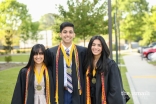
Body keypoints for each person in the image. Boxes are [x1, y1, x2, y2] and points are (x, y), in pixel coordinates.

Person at [46, 22, 86, 104]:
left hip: (77, 93)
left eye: (70, 32)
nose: (68, 34)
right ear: (60, 34)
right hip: (59, 93)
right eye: (65, 32)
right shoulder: (51, 52)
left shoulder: (82, 52)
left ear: (74, 34)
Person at [84, 35, 126, 104]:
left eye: (99, 45)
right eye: (93, 45)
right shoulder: (87, 64)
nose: (96, 47)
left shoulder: (110, 65)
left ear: (103, 48)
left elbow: (115, 89)